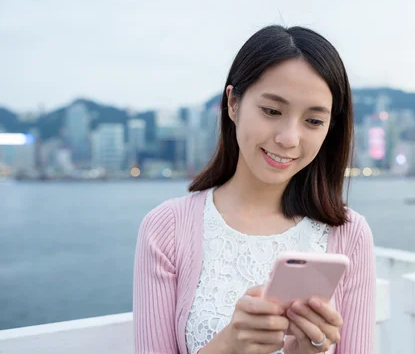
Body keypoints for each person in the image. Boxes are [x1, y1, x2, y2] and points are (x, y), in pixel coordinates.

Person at [133, 25, 376, 354]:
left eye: (314, 121)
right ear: (233, 103)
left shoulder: (350, 235)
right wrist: (230, 345)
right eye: (272, 111)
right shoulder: (167, 230)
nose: (289, 138)